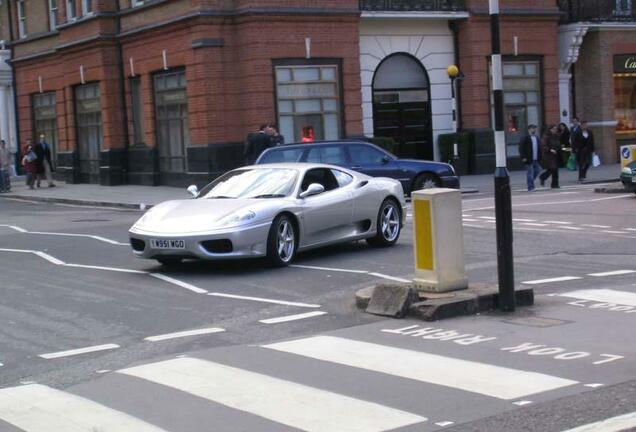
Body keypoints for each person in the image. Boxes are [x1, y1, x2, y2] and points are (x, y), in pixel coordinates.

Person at [518, 124, 542, 191]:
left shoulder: (537, 138)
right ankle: (530, 187)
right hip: (528, 158)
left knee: (538, 170)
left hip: (536, 158)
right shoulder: (525, 137)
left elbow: (539, 148)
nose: (534, 129)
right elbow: (521, 148)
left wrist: (540, 156)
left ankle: (530, 182)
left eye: (535, 128)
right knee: (530, 173)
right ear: (529, 129)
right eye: (532, 128)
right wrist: (523, 157)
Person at [539, 125, 561, 189]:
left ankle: (555, 184)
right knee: (552, 169)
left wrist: (563, 149)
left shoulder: (556, 136)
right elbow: (543, 145)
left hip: (555, 156)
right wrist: (550, 149)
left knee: (555, 170)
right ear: (550, 129)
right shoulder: (546, 137)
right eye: (553, 129)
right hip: (548, 156)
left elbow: (558, 144)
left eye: (555, 129)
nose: (555, 130)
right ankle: (543, 177)